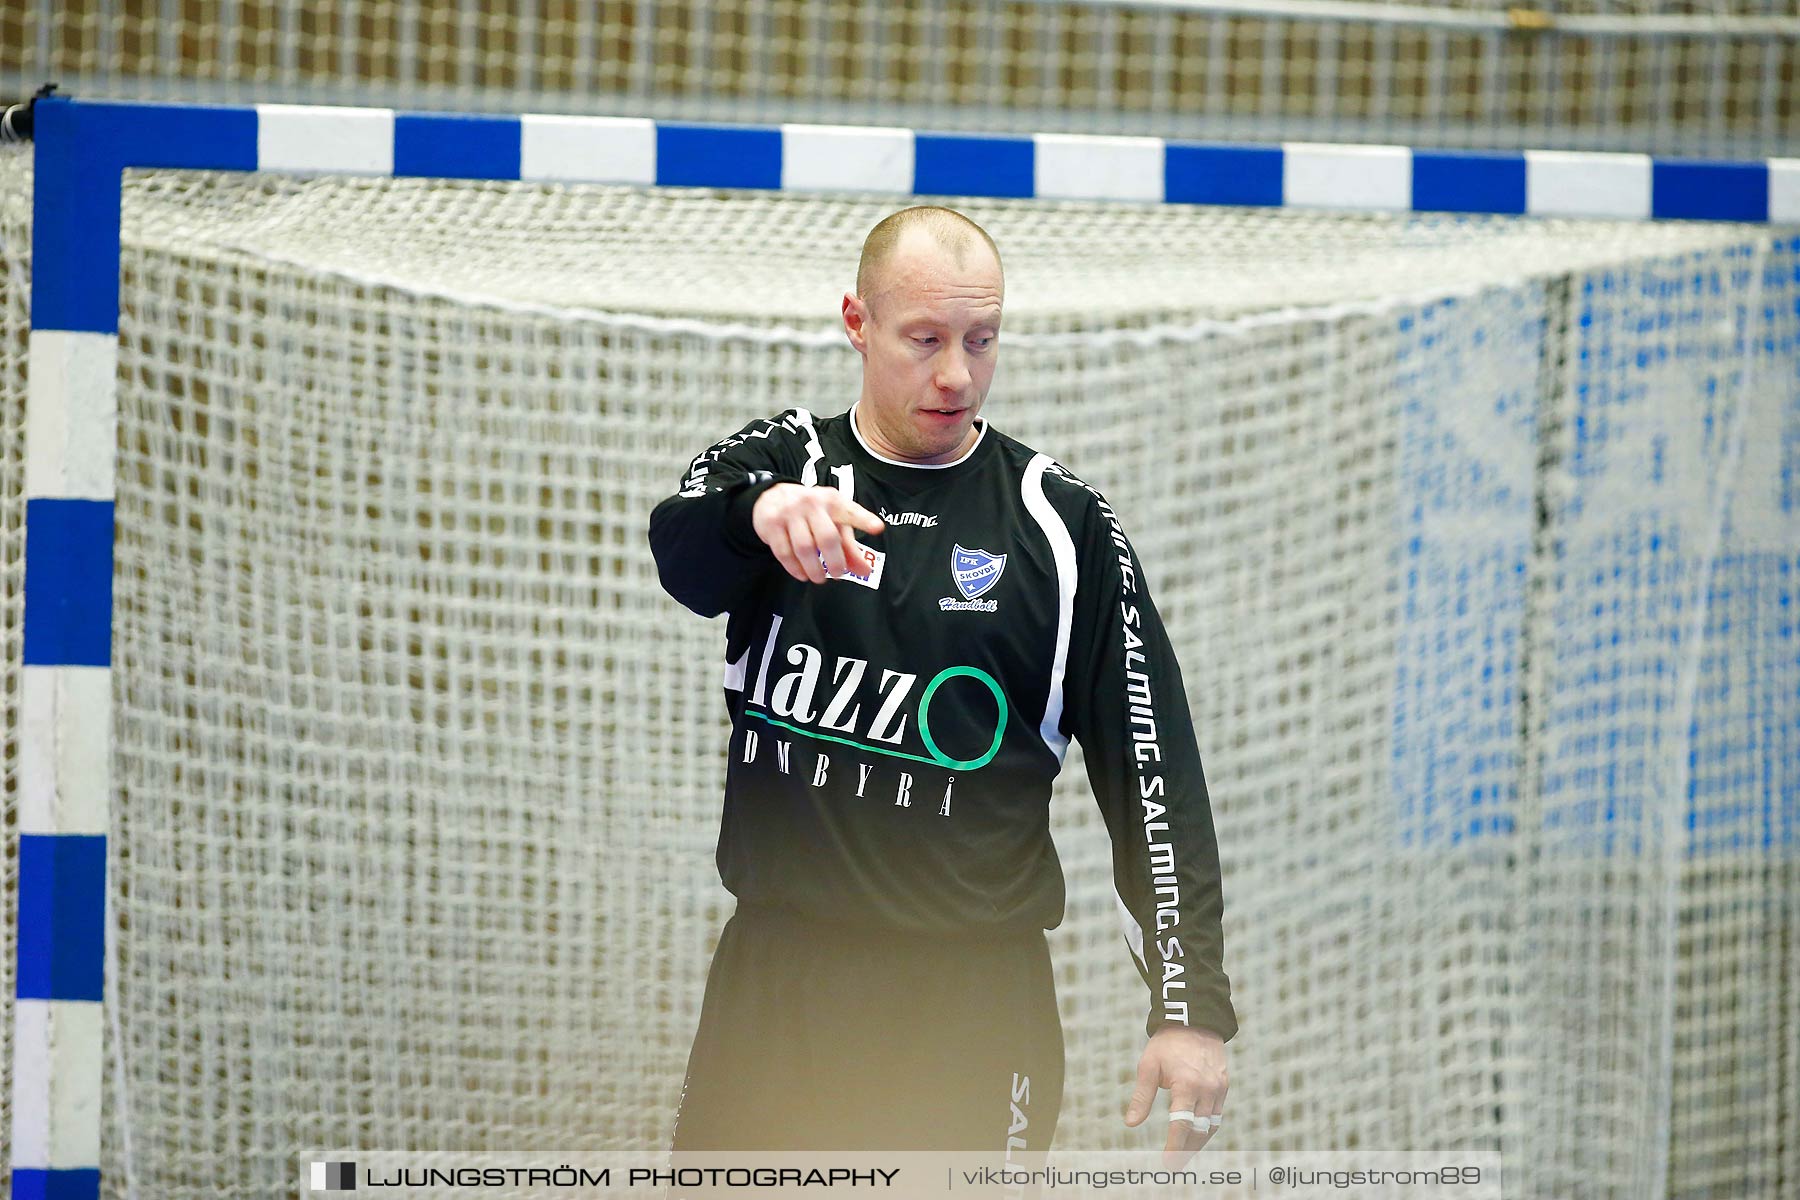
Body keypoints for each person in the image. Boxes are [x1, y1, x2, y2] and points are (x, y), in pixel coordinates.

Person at [647, 206, 1235, 1165]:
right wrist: (759, 513)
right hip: (780, 984)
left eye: (981, 338)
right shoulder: (784, 465)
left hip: (973, 1004)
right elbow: (684, 559)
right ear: (857, 322)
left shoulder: (1062, 525)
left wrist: (1189, 1006)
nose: (956, 373)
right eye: (925, 339)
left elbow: (1153, 770)